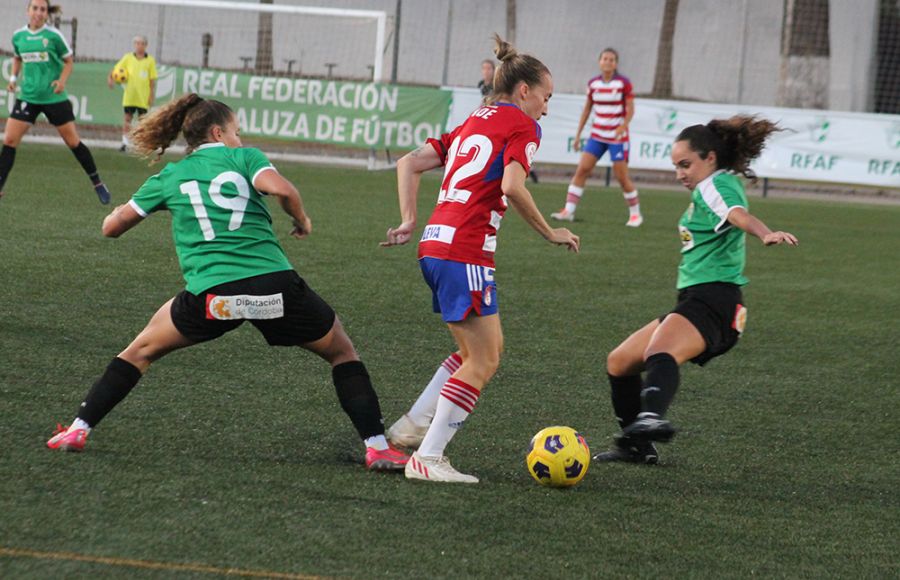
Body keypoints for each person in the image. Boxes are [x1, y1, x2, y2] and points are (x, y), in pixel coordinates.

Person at [46, 93, 409, 472]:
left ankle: (77, 429)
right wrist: (301, 221)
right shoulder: (245, 157)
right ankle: (377, 447)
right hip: (276, 289)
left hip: (212, 297)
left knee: (139, 352)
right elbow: (284, 190)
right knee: (342, 353)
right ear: (219, 133)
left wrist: (129, 208)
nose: (239, 137)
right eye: (237, 131)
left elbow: (111, 229)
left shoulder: (170, 176)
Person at [382, 35, 580, 483]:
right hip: (466, 250)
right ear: (525, 91)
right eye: (546, 98)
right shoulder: (523, 126)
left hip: (434, 244)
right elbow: (512, 187)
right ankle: (429, 459)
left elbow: (408, 164)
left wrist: (409, 219)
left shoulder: (474, 119)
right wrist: (551, 232)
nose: (546, 109)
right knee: (484, 361)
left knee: (476, 351)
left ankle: (412, 427)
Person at [594, 115, 799, 465]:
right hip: (695, 300)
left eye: (686, 165)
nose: (680, 174)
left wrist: (764, 232)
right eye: (676, 167)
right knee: (620, 362)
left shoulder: (717, 185)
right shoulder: (708, 187)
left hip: (715, 301)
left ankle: (651, 417)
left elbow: (736, 214)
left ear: (710, 159)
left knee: (660, 351)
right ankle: (636, 447)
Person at [0, 0, 111, 204]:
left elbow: (69, 61)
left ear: (46, 13)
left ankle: (97, 182)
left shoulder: (53, 36)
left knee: (73, 142)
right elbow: (17, 58)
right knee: (9, 141)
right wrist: (14, 79)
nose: (38, 12)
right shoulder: (18, 36)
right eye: (35, 8)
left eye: (42, 9)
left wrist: (61, 81)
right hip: (28, 97)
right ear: (28, 11)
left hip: (53, 97)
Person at [551, 48, 640, 226]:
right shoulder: (593, 84)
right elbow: (587, 109)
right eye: (605, 59)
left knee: (621, 177)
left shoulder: (623, 83)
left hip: (617, 138)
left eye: (612, 59)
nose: (608, 62)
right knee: (582, 170)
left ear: (615, 64)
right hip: (597, 136)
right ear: (600, 62)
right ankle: (568, 210)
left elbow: (631, 109)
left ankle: (635, 214)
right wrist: (578, 135)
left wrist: (622, 127)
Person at [108, 35, 157, 152]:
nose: (139, 46)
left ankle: (141, 144)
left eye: (141, 43)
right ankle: (124, 143)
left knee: (142, 121)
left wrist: (151, 95)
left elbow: (152, 80)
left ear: (146, 45)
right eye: (137, 43)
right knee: (127, 119)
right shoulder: (128, 58)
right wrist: (110, 78)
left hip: (142, 97)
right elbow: (116, 70)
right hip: (130, 96)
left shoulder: (150, 60)